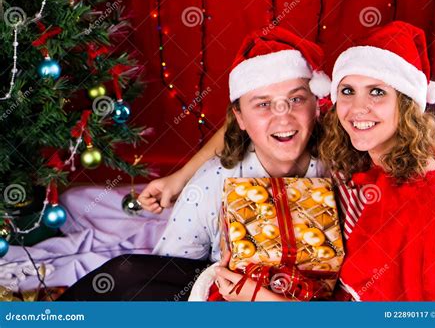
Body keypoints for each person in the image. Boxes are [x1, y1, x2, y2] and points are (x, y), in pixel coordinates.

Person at [59, 27, 331, 301]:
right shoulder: (212, 185)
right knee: (127, 273)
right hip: (223, 292)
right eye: (263, 105)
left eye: (296, 100)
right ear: (240, 118)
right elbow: (168, 268)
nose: (283, 117)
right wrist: (184, 178)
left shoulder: (338, 167)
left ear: (317, 105)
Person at [319, 21, 435, 301]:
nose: (358, 108)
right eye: (348, 91)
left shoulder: (432, 198)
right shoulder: (358, 152)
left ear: (407, 103)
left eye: (377, 92)